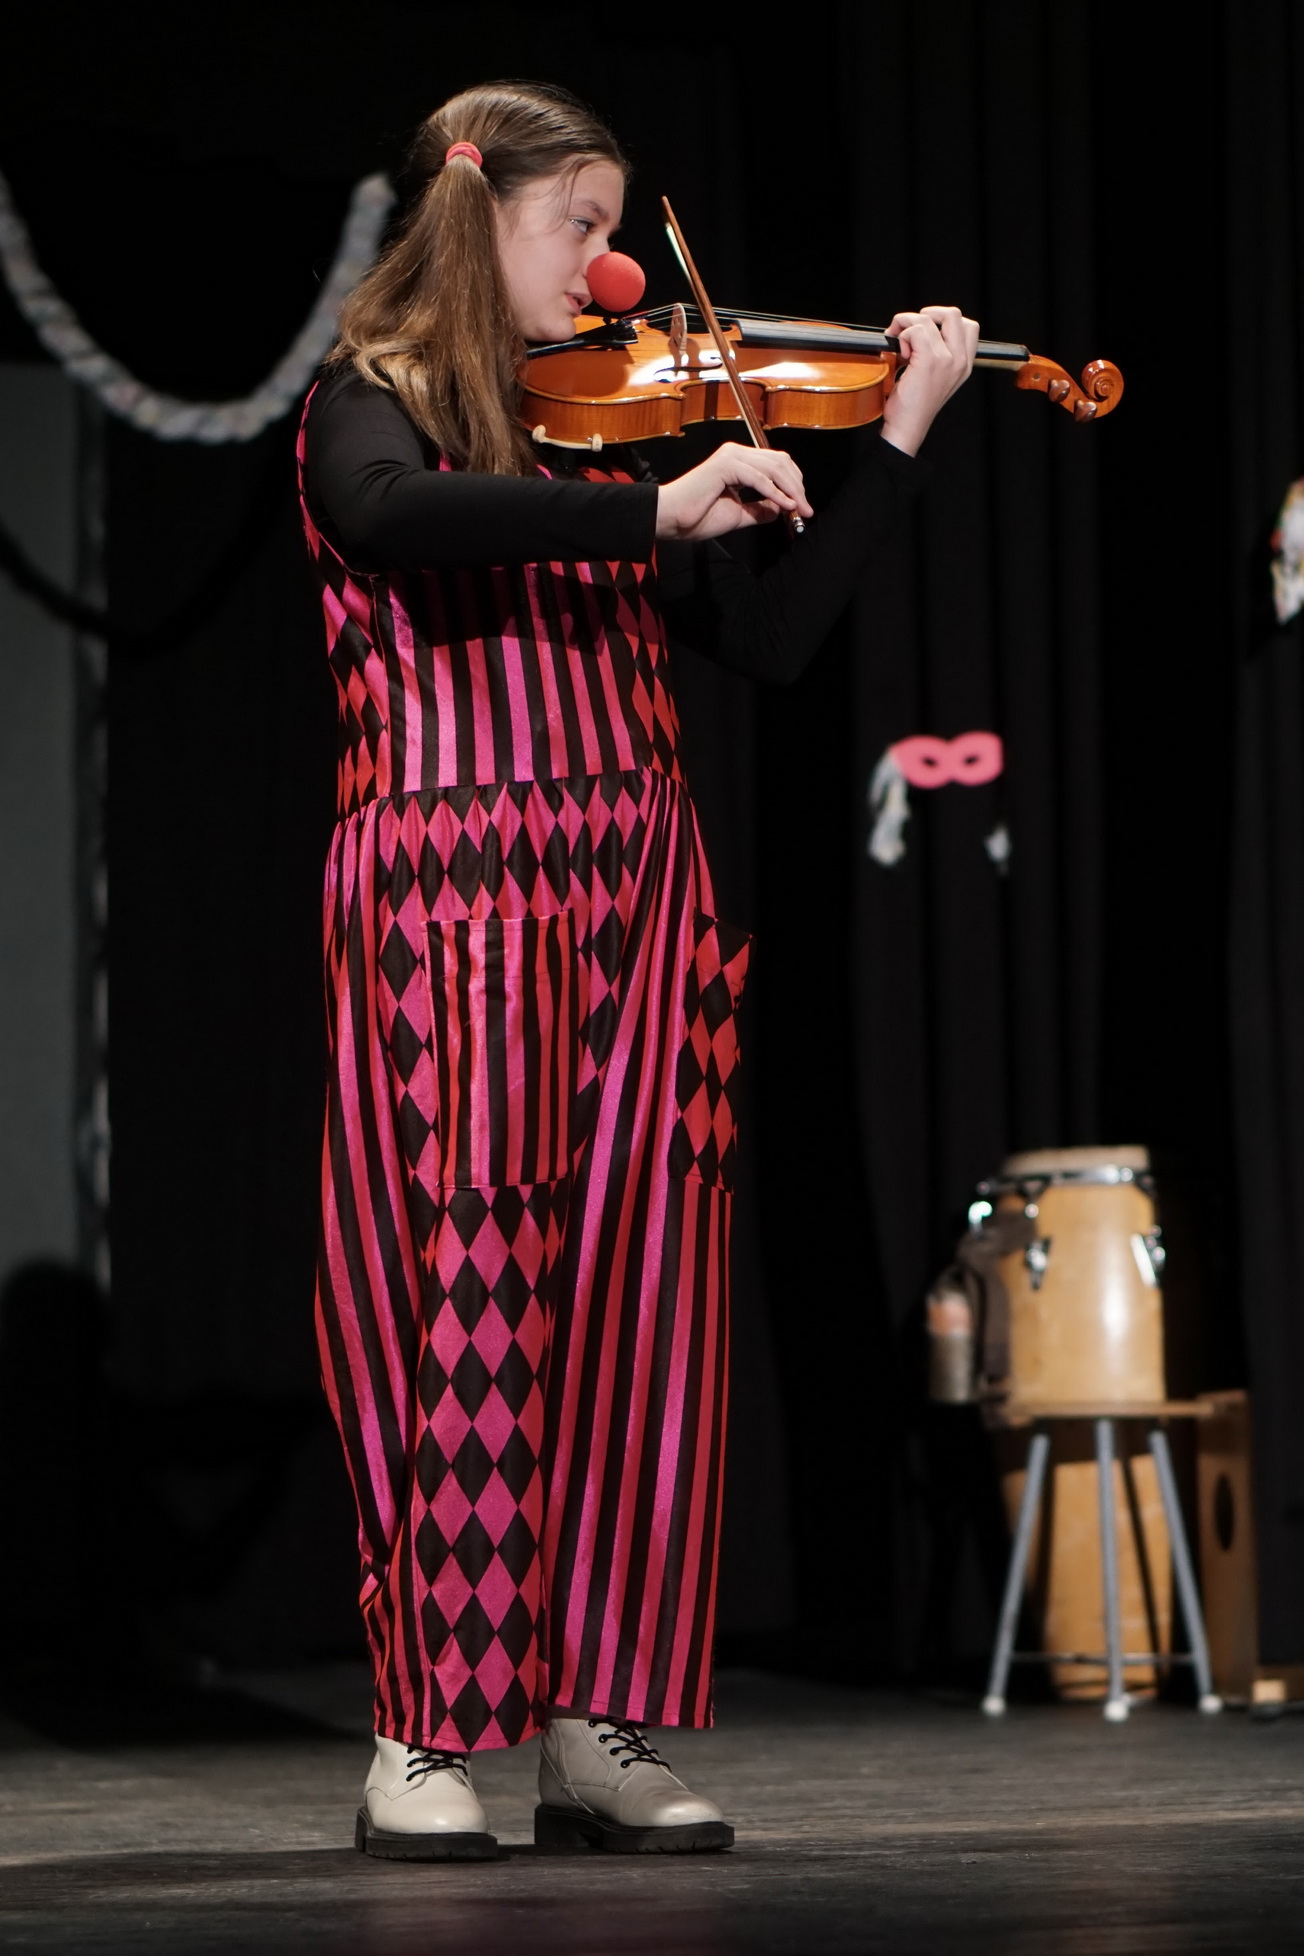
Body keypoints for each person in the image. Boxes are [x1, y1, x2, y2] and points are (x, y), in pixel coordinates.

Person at [300, 79, 976, 1861]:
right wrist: (653, 512)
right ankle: (424, 1732)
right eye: (578, 227)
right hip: (458, 926)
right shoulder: (371, 401)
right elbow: (391, 517)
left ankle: (594, 1727)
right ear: (478, 219)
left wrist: (897, 439)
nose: (611, 270)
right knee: (463, 1304)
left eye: (613, 230)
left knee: (642, 1320)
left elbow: (775, 642)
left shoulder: (604, 438)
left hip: (638, 917)